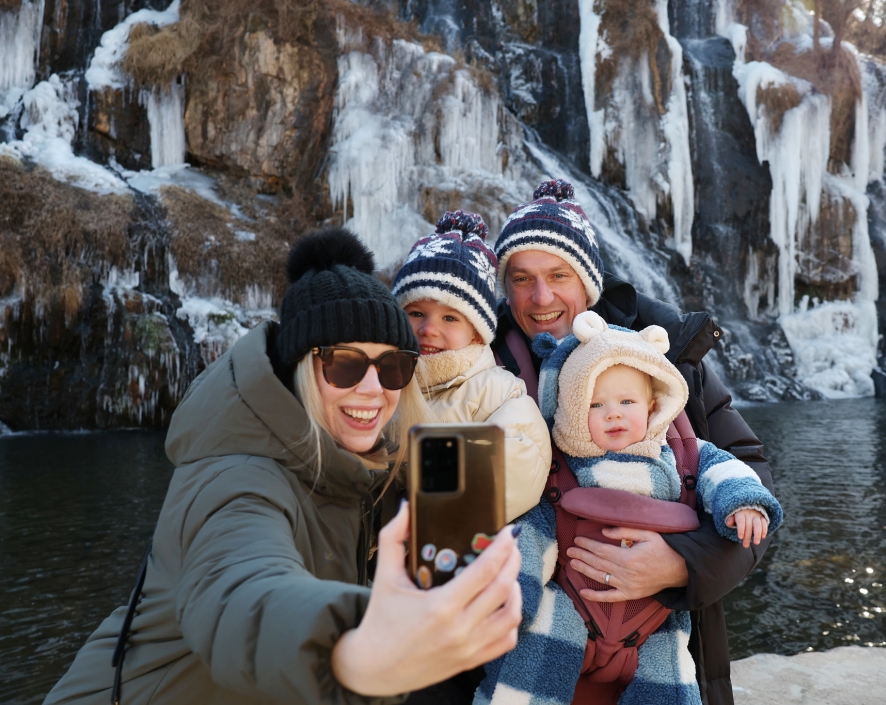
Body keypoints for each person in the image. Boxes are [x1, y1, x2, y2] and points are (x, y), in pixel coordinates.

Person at [43, 228, 522, 705]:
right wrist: (356, 651)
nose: (374, 389)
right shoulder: (236, 475)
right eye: (344, 365)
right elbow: (240, 594)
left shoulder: (365, 462)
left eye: (393, 366)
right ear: (301, 367)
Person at [490, 179, 777, 705]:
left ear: (590, 281)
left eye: (559, 275)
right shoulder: (479, 362)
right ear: (504, 289)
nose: (541, 297)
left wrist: (681, 564)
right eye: (522, 279)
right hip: (536, 639)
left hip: (658, 634)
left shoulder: (663, 360)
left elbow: (748, 478)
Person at [392, 209, 550, 522]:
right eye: (416, 313)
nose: (428, 330)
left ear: (477, 332)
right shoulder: (382, 382)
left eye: (450, 318)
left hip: (451, 538)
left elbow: (523, 459)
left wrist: (412, 485)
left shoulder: (497, 390)